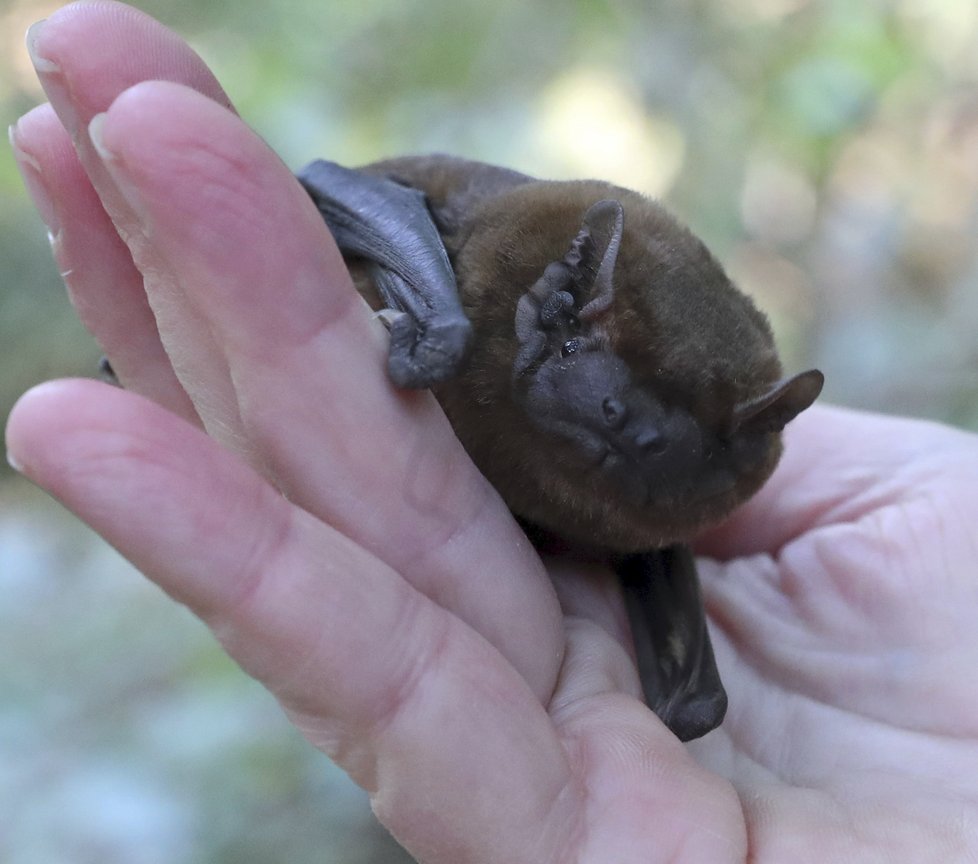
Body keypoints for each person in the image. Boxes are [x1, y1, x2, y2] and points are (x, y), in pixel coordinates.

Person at [7, 3, 978, 861]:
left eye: (646, 439)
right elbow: (342, 188)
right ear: (565, 312)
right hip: (431, 273)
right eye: (613, 408)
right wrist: (436, 325)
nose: (618, 438)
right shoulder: (485, 248)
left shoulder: (672, 493)